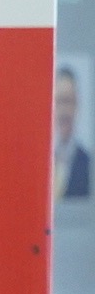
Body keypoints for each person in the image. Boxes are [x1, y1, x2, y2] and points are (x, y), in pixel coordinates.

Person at [59, 63, 90, 203]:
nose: (63, 111)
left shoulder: (88, 163)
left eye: (68, 101)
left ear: (77, 105)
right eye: (59, 101)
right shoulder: (39, 162)